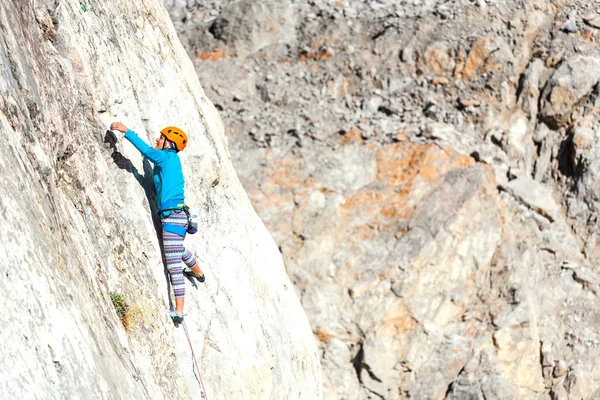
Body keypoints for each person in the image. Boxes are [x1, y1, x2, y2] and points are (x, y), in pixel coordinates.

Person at [110, 122, 205, 324]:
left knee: (173, 266)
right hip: (178, 217)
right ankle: (198, 272)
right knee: (176, 250)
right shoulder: (172, 160)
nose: (157, 140)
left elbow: (147, 150)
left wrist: (126, 131)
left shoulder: (164, 157)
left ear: (169, 144)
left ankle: (179, 311)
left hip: (172, 218)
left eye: (161, 138)